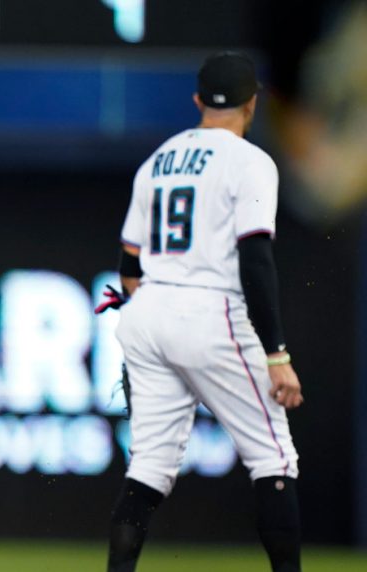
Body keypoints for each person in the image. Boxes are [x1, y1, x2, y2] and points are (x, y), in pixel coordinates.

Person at [97, 52, 303, 572]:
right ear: (252, 103)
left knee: (148, 468)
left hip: (146, 312)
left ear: (196, 101)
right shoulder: (250, 160)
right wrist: (276, 353)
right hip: (209, 310)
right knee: (273, 458)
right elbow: (255, 258)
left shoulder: (159, 159)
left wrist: (152, 319)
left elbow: (128, 265)